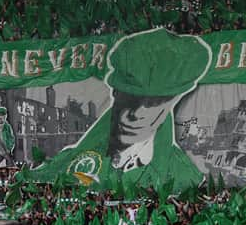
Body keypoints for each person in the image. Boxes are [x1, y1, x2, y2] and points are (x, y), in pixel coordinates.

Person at [33, 28, 212, 190]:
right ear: (115, 94)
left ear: (171, 103)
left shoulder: (180, 174)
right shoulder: (74, 160)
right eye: (131, 99)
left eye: (153, 103)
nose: (137, 113)